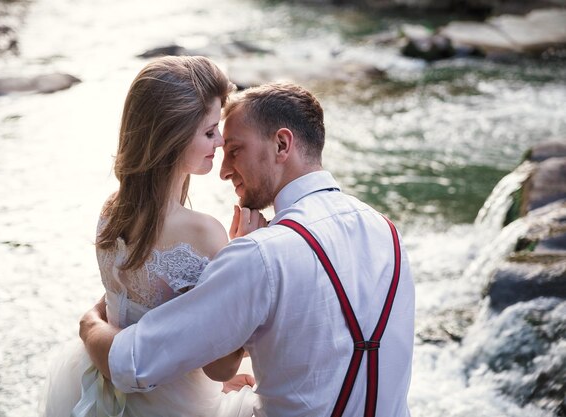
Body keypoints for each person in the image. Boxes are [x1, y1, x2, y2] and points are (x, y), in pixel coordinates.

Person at [80, 82, 415, 416]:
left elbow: (133, 363)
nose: (224, 171)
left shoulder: (260, 255)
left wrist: (91, 324)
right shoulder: (387, 233)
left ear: (282, 144)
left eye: (235, 150)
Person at [39, 56, 257, 417]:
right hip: (172, 403)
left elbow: (131, 303)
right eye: (208, 132)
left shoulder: (111, 210)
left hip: (97, 376)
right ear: (171, 138)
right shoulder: (203, 233)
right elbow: (219, 366)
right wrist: (241, 258)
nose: (219, 141)